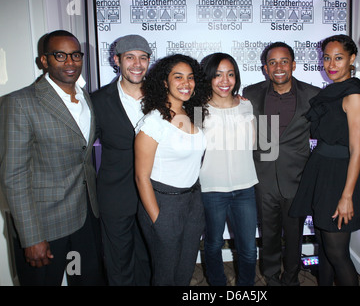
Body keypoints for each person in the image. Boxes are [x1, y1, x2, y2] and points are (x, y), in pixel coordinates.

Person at [0, 30, 105, 285]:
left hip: (86, 218)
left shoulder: (86, 98)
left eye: (75, 55)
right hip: (44, 226)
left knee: (87, 280)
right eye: (60, 55)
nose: (70, 62)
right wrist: (31, 237)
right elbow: (13, 176)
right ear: (44, 61)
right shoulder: (20, 103)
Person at [289, 34, 360, 286]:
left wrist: (347, 196)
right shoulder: (334, 92)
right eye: (327, 58)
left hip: (340, 176)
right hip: (322, 170)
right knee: (325, 247)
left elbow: (357, 149)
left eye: (338, 58)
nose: (331, 64)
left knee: (337, 252)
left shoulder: (354, 96)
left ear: (352, 58)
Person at [242, 42, 320, 286]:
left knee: (295, 235)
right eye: (272, 62)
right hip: (262, 177)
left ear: (293, 65)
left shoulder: (313, 95)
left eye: (284, 61)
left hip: (297, 178)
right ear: (265, 68)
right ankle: (271, 276)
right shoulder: (251, 93)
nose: (278, 67)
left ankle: (291, 277)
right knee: (269, 233)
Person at [134, 54, 209, 286]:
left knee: (185, 271)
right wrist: (158, 218)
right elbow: (141, 177)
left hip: (193, 202)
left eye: (190, 77)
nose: (186, 83)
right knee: (165, 275)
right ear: (164, 82)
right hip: (163, 203)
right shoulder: (153, 122)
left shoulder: (193, 113)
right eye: (178, 77)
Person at [90, 35, 152, 285]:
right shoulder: (96, 101)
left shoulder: (164, 97)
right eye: (130, 57)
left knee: (149, 258)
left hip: (154, 192)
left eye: (143, 58)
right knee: (119, 262)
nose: (137, 64)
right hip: (115, 194)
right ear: (116, 60)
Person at [199, 53, 258, 286]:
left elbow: (253, 144)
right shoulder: (198, 108)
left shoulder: (246, 104)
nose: (225, 80)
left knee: (249, 248)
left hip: (245, 188)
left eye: (230, 74)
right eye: (218, 74)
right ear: (209, 78)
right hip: (211, 188)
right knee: (213, 244)